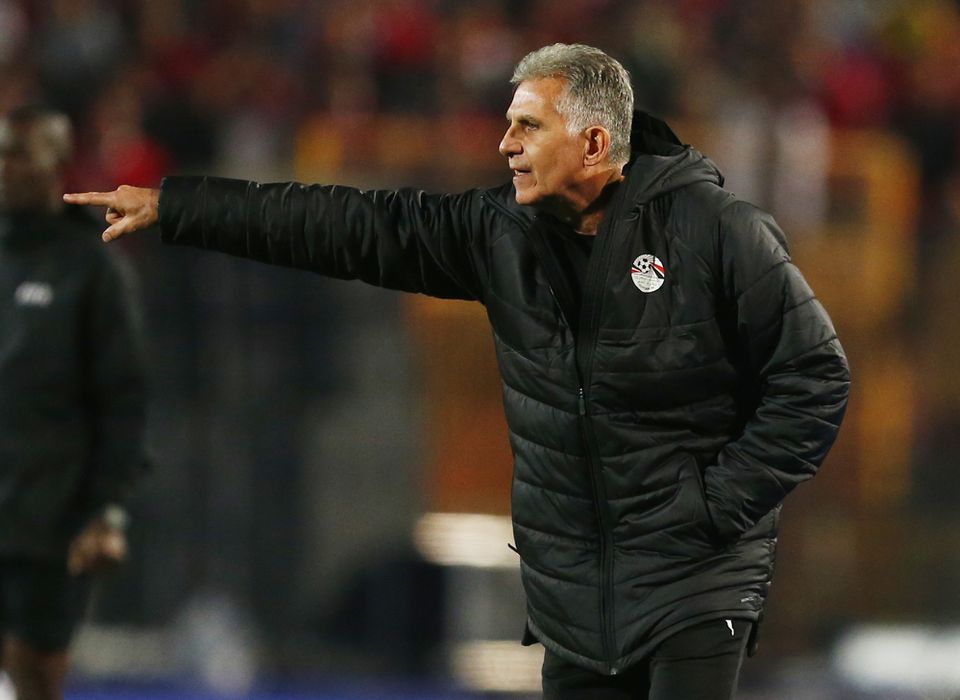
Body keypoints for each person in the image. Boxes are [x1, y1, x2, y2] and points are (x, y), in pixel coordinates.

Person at [65, 44, 850, 700]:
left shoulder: (718, 231)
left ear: (595, 144)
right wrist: (181, 206)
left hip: (694, 583)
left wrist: (712, 508)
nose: (505, 144)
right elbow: (349, 227)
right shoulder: (496, 235)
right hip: (575, 593)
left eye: (527, 125)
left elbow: (814, 378)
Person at [0, 107, 148, 700]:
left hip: (47, 520)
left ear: (56, 165)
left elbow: (123, 400)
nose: (5, 168)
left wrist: (106, 510)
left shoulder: (91, 269)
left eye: (20, 155)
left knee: (32, 675)